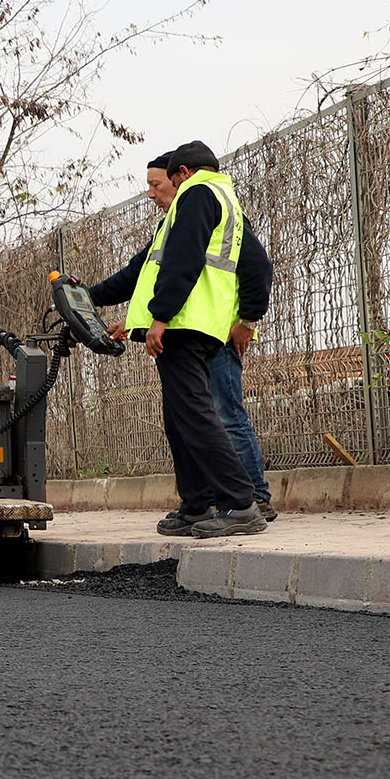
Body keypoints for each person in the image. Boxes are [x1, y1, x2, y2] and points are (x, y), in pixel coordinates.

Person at [87, 142, 264, 538]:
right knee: (180, 419)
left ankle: (240, 504)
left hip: (185, 324)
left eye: (162, 181)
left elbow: (183, 260)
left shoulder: (198, 194)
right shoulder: (220, 198)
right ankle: (197, 503)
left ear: (182, 172)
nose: (155, 192)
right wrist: (91, 298)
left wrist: (161, 317)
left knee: (198, 417)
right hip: (196, 325)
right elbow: (144, 270)